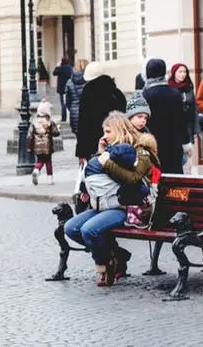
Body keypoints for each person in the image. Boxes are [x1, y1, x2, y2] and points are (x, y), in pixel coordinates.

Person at [65, 112, 157, 286]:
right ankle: (117, 254)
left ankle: (106, 265)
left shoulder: (140, 150)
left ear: (119, 130)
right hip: (104, 204)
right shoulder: (110, 151)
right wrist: (100, 155)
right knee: (71, 228)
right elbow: (98, 177)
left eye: (108, 132)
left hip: (129, 208)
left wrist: (107, 161)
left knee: (89, 230)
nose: (104, 136)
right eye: (104, 132)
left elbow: (133, 179)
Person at [141, 59, 186, 174]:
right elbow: (181, 120)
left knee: (157, 178)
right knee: (175, 180)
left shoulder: (145, 94)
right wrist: (185, 141)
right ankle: (178, 193)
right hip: (173, 143)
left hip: (153, 144)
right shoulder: (175, 93)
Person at [76, 61, 126, 162]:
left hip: (93, 146)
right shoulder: (116, 93)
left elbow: (83, 124)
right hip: (115, 142)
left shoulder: (87, 94)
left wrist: (81, 152)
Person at [168, 63, 199, 168]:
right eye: (180, 72)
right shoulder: (169, 88)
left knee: (189, 154)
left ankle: (188, 177)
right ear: (174, 73)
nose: (182, 74)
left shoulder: (189, 87)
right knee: (179, 155)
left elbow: (195, 108)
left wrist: (196, 129)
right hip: (175, 126)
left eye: (184, 72)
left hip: (189, 126)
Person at [28, 100, 59, 185]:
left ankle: (36, 170)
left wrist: (29, 147)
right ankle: (49, 179)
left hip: (37, 147)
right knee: (48, 161)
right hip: (47, 146)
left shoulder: (34, 122)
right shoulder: (49, 122)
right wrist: (58, 128)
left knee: (40, 161)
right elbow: (56, 133)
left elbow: (29, 136)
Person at [64, 59, 88, 137]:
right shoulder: (90, 80)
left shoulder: (70, 82)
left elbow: (67, 102)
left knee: (79, 140)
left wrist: (72, 109)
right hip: (88, 114)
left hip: (75, 115)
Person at [52, 57, 74, 122]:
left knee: (63, 104)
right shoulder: (70, 68)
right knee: (69, 102)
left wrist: (57, 66)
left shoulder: (61, 68)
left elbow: (54, 73)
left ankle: (64, 118)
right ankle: (71, 117)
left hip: (62, 89)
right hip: (69, 88)